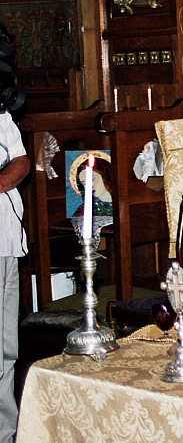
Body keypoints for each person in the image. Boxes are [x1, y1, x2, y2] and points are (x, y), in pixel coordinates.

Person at [0, 110, 28, 443]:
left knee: (3, 347)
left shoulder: (2, 113)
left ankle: (5, 434)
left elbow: (19, 161)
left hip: (2, 243)